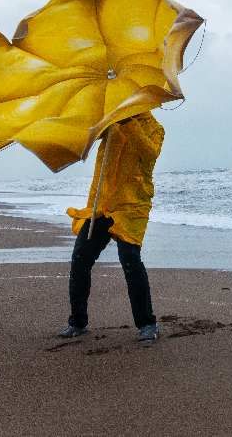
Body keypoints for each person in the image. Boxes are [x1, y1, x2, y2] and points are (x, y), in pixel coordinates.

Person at [59, 112, 164, 342]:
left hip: (132, 206)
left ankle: (148, 324)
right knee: (80, 259)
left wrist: (128, 124)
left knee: (130, 260)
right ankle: (77, 322)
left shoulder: (155, 128)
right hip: (102, 205)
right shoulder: (110, 123)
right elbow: (86, 138)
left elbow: (149, 154)